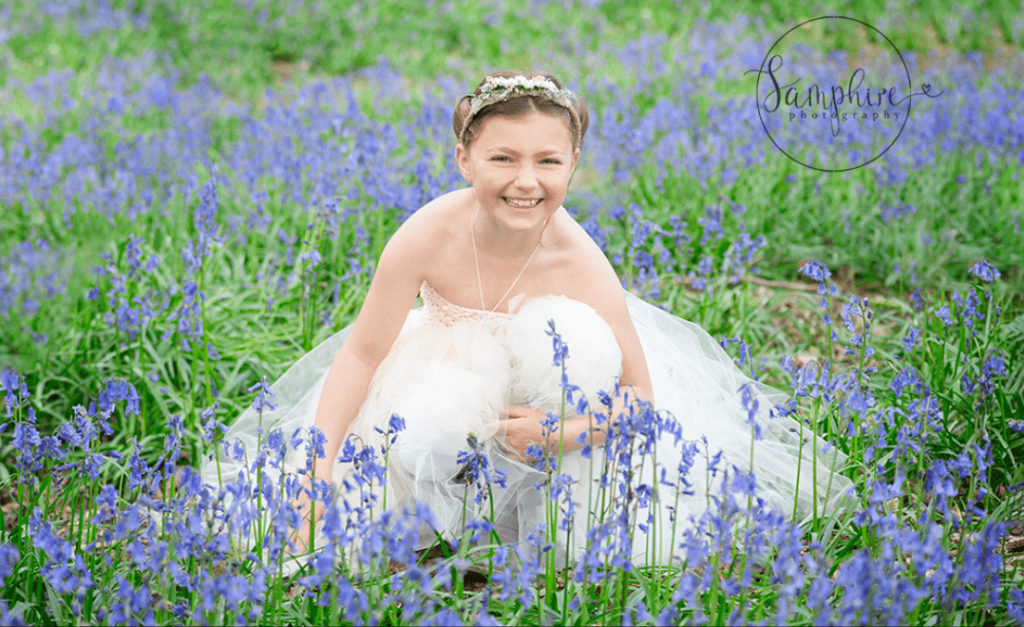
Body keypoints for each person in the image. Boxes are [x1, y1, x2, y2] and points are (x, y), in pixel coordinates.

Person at [203, 71, 851, 566]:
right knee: (427, 428)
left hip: (554, 409)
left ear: (573, 164)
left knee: (577, 343)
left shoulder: (578, 257)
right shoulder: (427, 233)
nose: (526, 181)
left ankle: (540, 520)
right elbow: (361, 356)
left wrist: (562, 429)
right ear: (465, 160)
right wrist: (317, 474)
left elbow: (642, 402)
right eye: (502, 158)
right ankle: (439, 520)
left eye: (548, 161)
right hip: (446, 385)